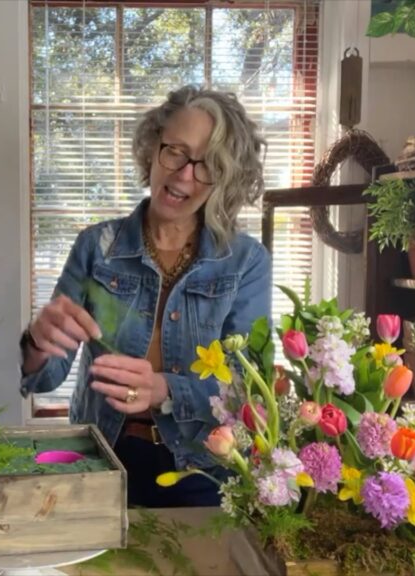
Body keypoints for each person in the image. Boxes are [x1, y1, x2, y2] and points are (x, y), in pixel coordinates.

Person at [20, 85, 271, 507]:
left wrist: (163, 389)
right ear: (152, 148)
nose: (184, 174)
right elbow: (44, 375)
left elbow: (249, 387)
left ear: (225, 177)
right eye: (175, 151)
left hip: (204, 467)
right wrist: (36, 343)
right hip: (102, 459)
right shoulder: (95, 247)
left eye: (207, 164)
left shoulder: (245, 262)